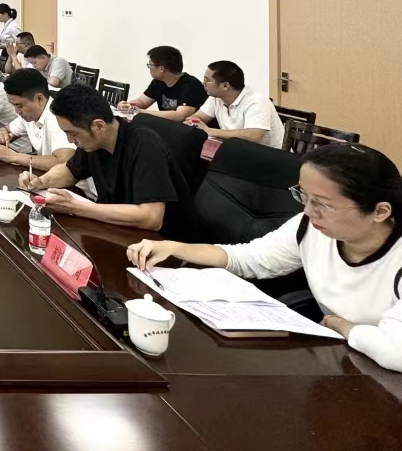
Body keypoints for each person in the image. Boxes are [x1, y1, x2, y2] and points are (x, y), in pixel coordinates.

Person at [128, 144, 402, 371]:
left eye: (321, 203)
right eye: (303, 196)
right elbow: (249, 258)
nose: (307, 212)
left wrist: (339, 324)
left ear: (380, 212)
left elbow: (395, 352)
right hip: (341, 361)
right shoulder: (311, 228)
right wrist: (176, 248)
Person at [21, 84, 197, 240]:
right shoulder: (93, 142)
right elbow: (70, 171)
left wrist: (75, 207)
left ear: (98, 126)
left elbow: (151, 218)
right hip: (120, 230)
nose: (70, 141)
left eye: (73, 133)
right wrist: (41, 182)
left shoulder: (146, 145)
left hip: (166, 244)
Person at [0, 68, 77, 169]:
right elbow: (7, 129)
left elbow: (64, 162)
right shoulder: (30, 115)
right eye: (14, 106)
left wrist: (14, 157)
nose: (17, 112)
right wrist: (1, 134)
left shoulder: (58, 119)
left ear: (39, 98)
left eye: (20, 106)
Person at [189, 60, 285, 149]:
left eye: (207, 80)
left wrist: (210, 131)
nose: (203, 83)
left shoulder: (256, 101)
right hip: (237, 149)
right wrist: (193, 122)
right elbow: (198, 117)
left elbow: (254, 135)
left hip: (267, 154)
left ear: (225, 86)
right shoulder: (216, 97)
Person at [118, 45, 207, 122]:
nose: (149, 68)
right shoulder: (158, 82)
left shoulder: (191, 85)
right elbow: (142, 102)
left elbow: (180, 116)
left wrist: (140, 111)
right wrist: (128, 105)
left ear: (161, 69)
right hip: (167, 126)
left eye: (150, 65)